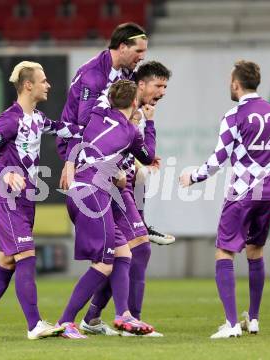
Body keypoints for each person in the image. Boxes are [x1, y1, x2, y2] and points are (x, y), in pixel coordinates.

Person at [179, 60, 270, 338]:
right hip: (268, 195)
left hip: (241, 193)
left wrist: (192, 177)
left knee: (224, 251)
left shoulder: (234, 116)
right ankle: (253, 319)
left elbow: (218, 160)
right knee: (255, 252)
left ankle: (232, 324)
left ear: (236, 83)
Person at [0, 61, 82, 340]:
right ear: (28, 85)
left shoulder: (39, 119)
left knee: (7, 262)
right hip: (8, 199)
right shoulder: (10, 120)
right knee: (26, 256)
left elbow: (69, 130)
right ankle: (34, 325)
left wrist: (98, 127)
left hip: (28, 199)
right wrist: (4, 171)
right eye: (43, 81)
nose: (48, 85)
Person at [57, 80, 157, 339]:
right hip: (93, 195)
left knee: (123, 254)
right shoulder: (131, 131)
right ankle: (66, 321)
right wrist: (150, 122)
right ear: (134, 102)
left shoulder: (97, 114)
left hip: (81, 190)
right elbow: (147, 156)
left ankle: (123, 315)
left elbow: (79, 136)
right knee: (103, 263)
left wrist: (71, 162)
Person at [79, 61, 171, 337]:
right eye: (158, 86)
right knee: (137, 249)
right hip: (108, 187)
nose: (162, 92)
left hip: (124, 184)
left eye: (165, 87)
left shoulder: (138, 113)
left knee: (126, 253)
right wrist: (72, 162)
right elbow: (85, 129)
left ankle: (94, 318)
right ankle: (130, 320)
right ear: (141, 86)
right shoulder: (116, 107)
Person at [57, 22, 148, 191]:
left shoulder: (125, 72)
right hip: (80, 146)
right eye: (139, 51)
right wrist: (70, 163)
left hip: (103, 145)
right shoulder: (94, 74)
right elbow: (82, 123)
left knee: (135, 180)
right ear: (122, 47)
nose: (142, 56)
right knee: (99, 202)